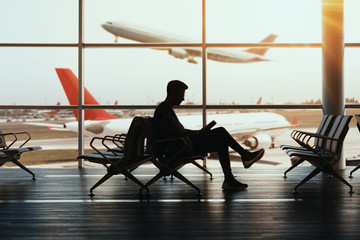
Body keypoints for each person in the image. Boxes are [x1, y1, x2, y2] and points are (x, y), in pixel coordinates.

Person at [153, 80, 265, 190]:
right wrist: (197, 135)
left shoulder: (164, 109)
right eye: (181, 95)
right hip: (179, 149)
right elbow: (174, 137)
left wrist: (197, 132)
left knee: (221, 140)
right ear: (172, 93)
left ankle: (230, 178)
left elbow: (178, 132)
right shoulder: (163, 112)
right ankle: (243, 159)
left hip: (182, 144)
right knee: (221, 132)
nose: (183, 98)